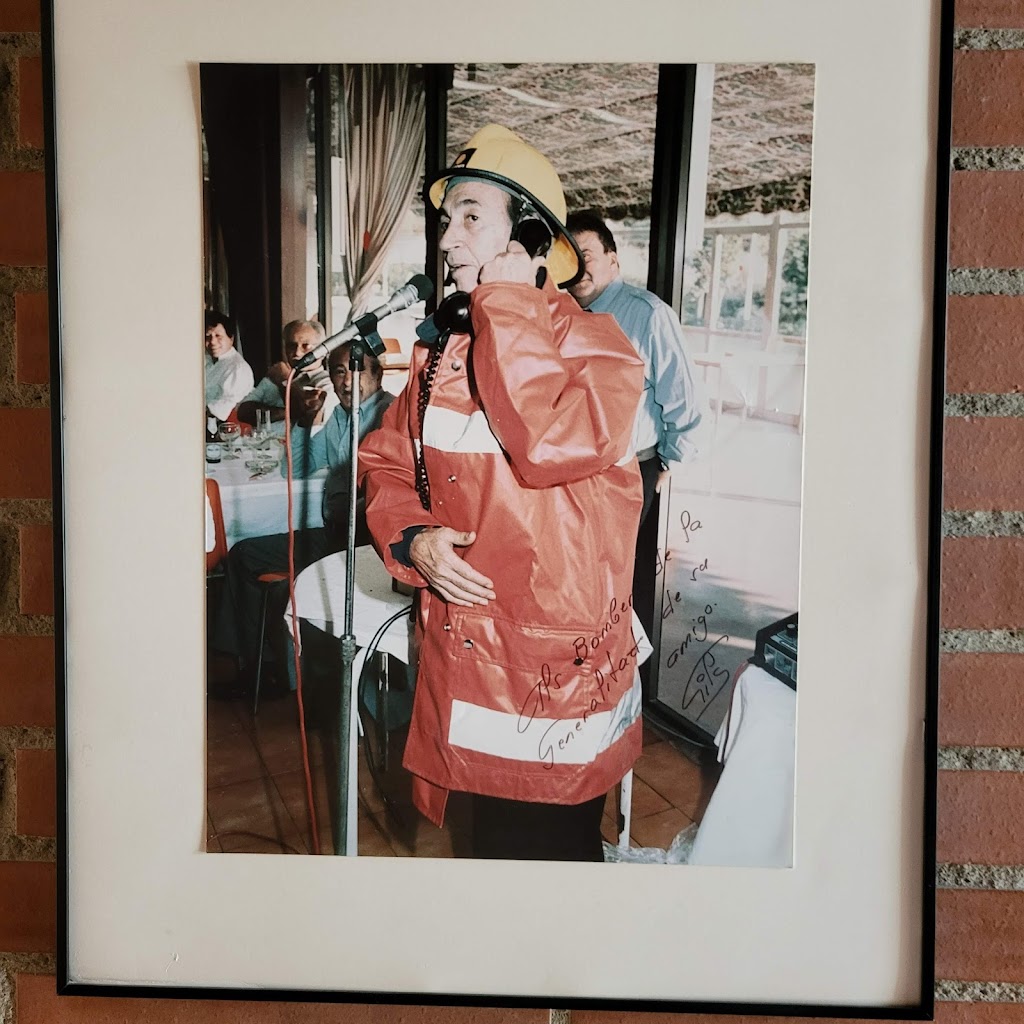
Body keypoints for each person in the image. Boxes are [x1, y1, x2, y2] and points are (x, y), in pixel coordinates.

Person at [358, 124, 646, 862]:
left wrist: (510, 305)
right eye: (444, 219)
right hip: (467, 663)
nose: (447, 239)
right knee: (488, 856)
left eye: (471, 218)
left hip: (552, 684)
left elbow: (549, 444)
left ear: (530, 239)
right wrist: (414, 538)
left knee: (549, 868)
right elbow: (386, 464)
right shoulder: (442, 356)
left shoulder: (601, 348)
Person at [567, 211, 703, 699]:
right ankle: (578, 691)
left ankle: (620, 694)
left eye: (586, 254)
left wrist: (666, 464)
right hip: (570, 474)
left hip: (629, 470)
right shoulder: (558, 313)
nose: (578, 266)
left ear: (613, 259)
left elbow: (684, 400)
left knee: (617, 584)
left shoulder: (647, 314)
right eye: (569, 255)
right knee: (577, 583)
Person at [209, 342, 394, 690]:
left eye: (356, 371)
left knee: (249, 558)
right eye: (339, 372)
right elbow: (293, 468)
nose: (347, 381)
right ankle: (257, 667)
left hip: (364, 543)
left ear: (377, 375)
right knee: (243, 554)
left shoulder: (390, 416)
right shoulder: (340, 416)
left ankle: (263, 671)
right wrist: (304, 421)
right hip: (335, 535)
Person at [236, 319, 338, 435]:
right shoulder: (275, 375)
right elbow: (243, 412)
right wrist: (287, 413)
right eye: (291, 346)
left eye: (306, 346)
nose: (297, 352)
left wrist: (284, 380)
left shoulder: (327, 382)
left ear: (323, 351)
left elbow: (309, 415)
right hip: (263, 442)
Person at [204, 310, 254, 422]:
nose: (212, 342)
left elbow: (221, 411)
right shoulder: (206, 360)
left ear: (231, 339)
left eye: (218, 336)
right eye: (208, 336)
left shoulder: (237, 368)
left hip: (223, 426)